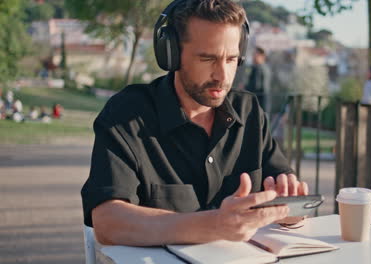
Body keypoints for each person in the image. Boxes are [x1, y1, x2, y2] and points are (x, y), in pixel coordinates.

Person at [81, 0, 308, 247]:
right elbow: (107, 222)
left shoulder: (250, 112)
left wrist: (292, 210)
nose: (222, 76)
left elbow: (290, 201)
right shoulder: (127, 114)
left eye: (231, 59)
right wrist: (214, 225)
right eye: (207, 58)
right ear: (172, 54)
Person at [245, 47, 272, 116]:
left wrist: (244, 88)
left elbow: (256, 86)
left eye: (255, 54)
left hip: (257, 104)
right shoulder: (266, 67)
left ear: (261, 56)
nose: (253, 56)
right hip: (264, 103)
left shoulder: (258, 68)